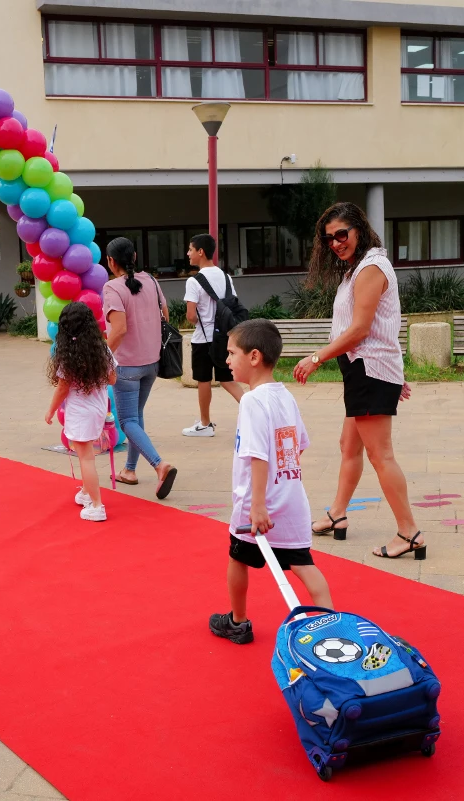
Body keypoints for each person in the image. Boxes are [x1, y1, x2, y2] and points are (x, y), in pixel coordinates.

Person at [291, 201, 424, 561]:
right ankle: (338, 514)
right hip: (367, 370)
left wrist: (316, 357)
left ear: (359, 231)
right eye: (329, 238)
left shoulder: (370, 268)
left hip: (368, 370)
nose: (335, 242)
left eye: (341, 234)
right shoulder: (359, 269)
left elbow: (361, 330)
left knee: (381, 456)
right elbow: (382, 328)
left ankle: (409, 532)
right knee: (349, 446)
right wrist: (394, 376)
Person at [209, 319, 333, 645]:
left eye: (231, 353)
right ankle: (331, 631)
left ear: (254, 357)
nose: (227, 360)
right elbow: (299, 443)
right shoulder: (285, 396)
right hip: (291, 502)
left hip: (257, 504)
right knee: (305, 565)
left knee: (238, 557)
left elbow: (257, 455)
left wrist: (259, 504)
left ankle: (238, 621)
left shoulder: (251, 401)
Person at [102, 237, 178, 500]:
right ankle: (130, 470)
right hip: (152, 362)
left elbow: (119, 329)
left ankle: (159, 465)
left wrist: (103, 357)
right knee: (137, 414)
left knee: (128, 420)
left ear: (111, 261)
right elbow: (165, 317)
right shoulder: (153, 282)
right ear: (133, 257)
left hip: (126, 366)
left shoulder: (113, 288)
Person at [45, 301, 117, 523]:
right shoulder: (101, 348)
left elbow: (62, 388)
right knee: (86, 454)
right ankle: (87, 492)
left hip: (80, 411)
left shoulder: (68, 355)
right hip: (97, 408)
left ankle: (97, 505)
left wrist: (50, 412)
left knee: (85, 457)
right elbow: (112, 378)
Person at [183, 233, 243, 437]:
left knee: (204, 379)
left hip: (203, 339)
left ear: (201, 252)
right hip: (225, 336)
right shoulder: (226, 277)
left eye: (191, 249)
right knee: (227, 380)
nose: (188, 253)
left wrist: (200, 319)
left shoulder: (194, 281)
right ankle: (254, 413)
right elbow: (233, 303)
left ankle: (205, 423)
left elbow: (191, 316)